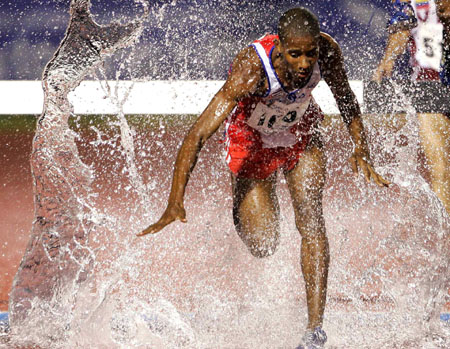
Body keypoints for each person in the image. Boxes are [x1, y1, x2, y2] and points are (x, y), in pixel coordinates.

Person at [139, 8, 389, 348]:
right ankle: (259, 194)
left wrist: (362, 148)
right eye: (295, 54)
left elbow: (346, 99)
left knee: (312, 220)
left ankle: (314, 331)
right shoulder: (251, 68)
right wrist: (174, 201)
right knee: (263, 244)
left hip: (300, 133)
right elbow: (197, 134)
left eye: (310, 53)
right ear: (280, 47)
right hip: (251, 142)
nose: (304, 64)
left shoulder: (327, 53)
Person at [373, 0, 450, 214]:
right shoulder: (413, 2)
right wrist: (388, 59)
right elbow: (402, 28)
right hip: (429, 87)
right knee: (440, 171)